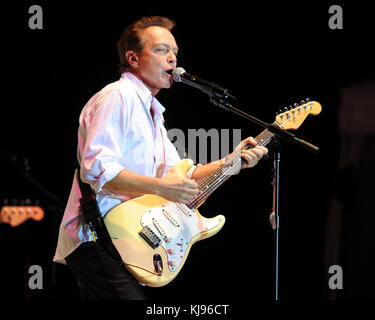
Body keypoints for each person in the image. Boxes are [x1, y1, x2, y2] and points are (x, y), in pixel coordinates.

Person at [53, 15, 268, 300]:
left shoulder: (152, 111)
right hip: (97, 237)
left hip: (127, 238)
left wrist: (232, 161)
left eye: (175, 52)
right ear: (133, 58)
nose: (172, 59)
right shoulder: (119, 96)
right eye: (161, 50)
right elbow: (97, 168)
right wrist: (161, 188)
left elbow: (180, 175)